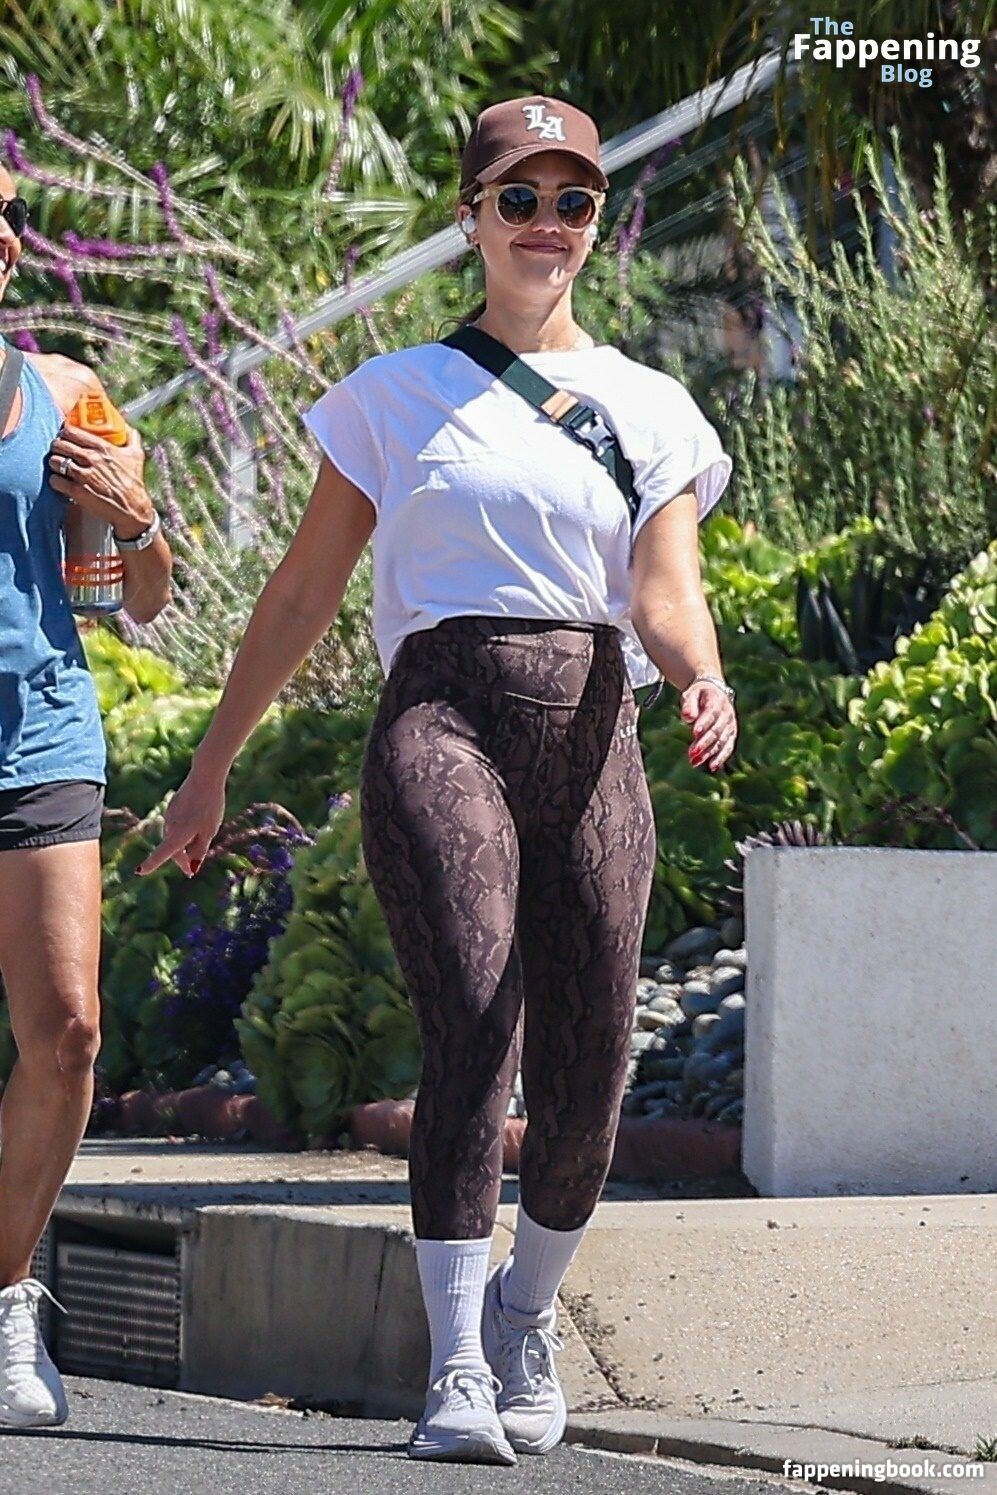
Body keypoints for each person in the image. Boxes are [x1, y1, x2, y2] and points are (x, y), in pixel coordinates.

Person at [135, 94, 737, 1466]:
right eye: (517, 199)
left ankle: (525, 1311)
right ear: (471, 218)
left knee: (591, 1059)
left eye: (571, 201)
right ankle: (455, 1362)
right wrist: (212, 765)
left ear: (595, 222)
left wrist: (700, 675)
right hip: (440, 713)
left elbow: (665, 591)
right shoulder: (394, 394)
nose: (545, 225)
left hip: (591, 725)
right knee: (475, 1013)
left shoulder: (652, 406)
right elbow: (300, 596)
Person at [0, 165, 172, 1428]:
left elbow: (131, 601)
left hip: (41, 735)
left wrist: (137, 518)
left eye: (3, 219)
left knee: (67, 1031)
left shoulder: (64, 395)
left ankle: (5, 1298)